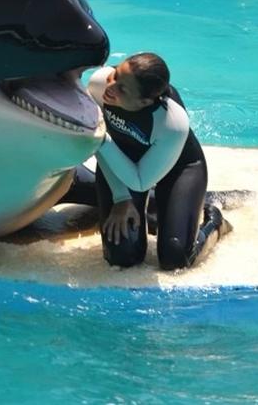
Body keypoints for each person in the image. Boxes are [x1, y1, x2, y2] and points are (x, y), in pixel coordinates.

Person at [85, 52, 226, 270]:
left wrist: (102, 141)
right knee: (123, 256)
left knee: (175, 257)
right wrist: (121, 197)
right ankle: (155, 214)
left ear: (144, 101)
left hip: (180, 169)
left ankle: (215, 222)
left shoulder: (172, 123)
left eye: (122, 88)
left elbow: (139, 180)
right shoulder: (98, 84)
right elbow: (99, 144)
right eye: (115, 75)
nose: (110, 86)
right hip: (123, 161)